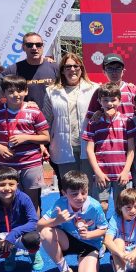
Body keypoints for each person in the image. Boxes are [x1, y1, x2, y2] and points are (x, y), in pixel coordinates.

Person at [0, 75, 50, 214]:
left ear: (26, 91)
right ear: (4, 93)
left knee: (32, 201)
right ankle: (14, 226)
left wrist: (26, 138)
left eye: (20, 90)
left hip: (31, 164)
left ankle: (33, 227)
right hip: (7, 165)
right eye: (11, 91)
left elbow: (46, 138)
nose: (16, 94)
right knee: (10, 200)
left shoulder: (34, 112)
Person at [38, 170, 108, 272]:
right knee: (46, 233)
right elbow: (39, 226)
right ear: (64, 193)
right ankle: (65, 271)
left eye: (84, 192)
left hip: (89, 244)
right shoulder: (60, 203)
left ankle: (92, 256)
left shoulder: (95, 206)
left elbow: (103, 229)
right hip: (68, 241)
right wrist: (57, 220)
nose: (80, 197)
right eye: (74, 194)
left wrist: (89, 234)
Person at [43, 53, 99, 187]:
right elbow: (46, 121)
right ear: (62, 70)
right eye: (68, 67)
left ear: (81, 69)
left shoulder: (94, 89)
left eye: (76, 66)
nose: (72, 69)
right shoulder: (51, 91)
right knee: (70, 187)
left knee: (89, 187)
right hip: (63, 146)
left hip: (89, 146)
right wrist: (43, 144)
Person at [83, 83, 135, 211]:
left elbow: (131, 149)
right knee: (101, 206)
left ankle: (120, 225)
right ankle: (101, 225)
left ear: (120, 101)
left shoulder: (127, 121)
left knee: (123, 207)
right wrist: (98, 172)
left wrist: (126, 171)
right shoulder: (94, 122)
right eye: (105, 100)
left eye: (113, 100)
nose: (109, 103)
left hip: (122, 174)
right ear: (99, 101)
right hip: (102, 174)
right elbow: (89, 149)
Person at [0, 32, 58, 107]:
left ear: (42, 47)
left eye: (38, 45)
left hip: (52, 114)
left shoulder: (54, 67)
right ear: (23, 47)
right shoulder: (14, 69)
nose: (34, 48)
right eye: (30, 45)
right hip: (26, 114)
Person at [86, 53, 136, 120]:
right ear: (104, 72)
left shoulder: (133, 90)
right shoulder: (99, 91)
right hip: (107, 127)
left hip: (130, 127)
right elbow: (90, 117)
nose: (114, 72)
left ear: (123, 71)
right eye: (109, 68)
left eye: (118, 68)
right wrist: (98, 113)